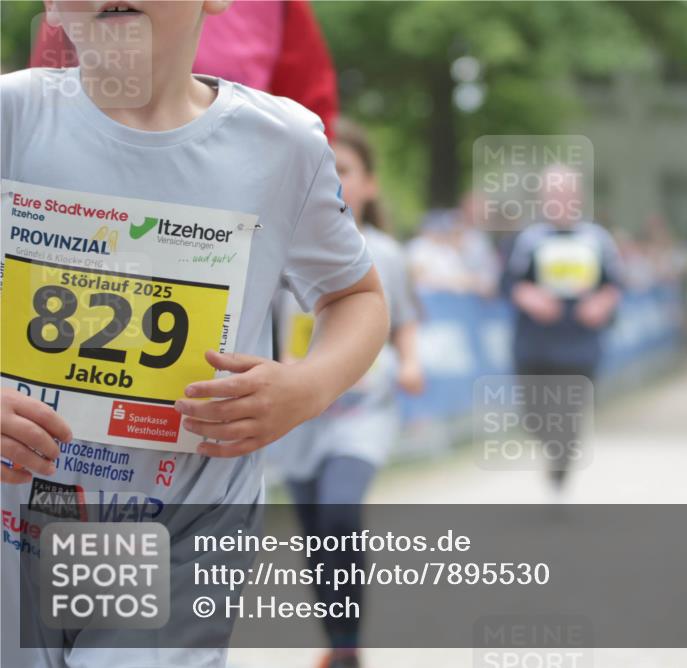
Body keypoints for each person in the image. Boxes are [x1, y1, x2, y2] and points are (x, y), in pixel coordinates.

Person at [0, 3, 389, 667]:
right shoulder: (13, 116)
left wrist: (307, 386)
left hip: (182, 519)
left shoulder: (283, 144)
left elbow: (357, 296)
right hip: (15, 507)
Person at [275, 119, 423, 668]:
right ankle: (341, 641)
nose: (333, 179)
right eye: (323, 168)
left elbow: (404, 320)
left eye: (344, 169)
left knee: (339, 513)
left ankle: (345, 645)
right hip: (298, 418)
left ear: (369, 185)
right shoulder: (280, 247)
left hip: (362, 412)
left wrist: (410, 362)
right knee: (316, 536)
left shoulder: (385, 253)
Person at [30, 0, 339, 137]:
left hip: (230, 190)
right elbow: (48, 92)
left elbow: (312, 101)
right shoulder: (82, 10)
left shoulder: (279, 5)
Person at [502, 164, 623, 496]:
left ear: (579, 196)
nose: (560, 199)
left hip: (580, 345)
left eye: (567, 192)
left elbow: (615, 284)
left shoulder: (598, 239)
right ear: (543, 197)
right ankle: (553, 452)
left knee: (568, 416)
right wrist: (529, 297)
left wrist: (601, 303)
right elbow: (508, 282)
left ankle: (560, 467)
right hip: (534, 345)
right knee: (534, 416)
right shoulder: (527, 239)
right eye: (553, 192)